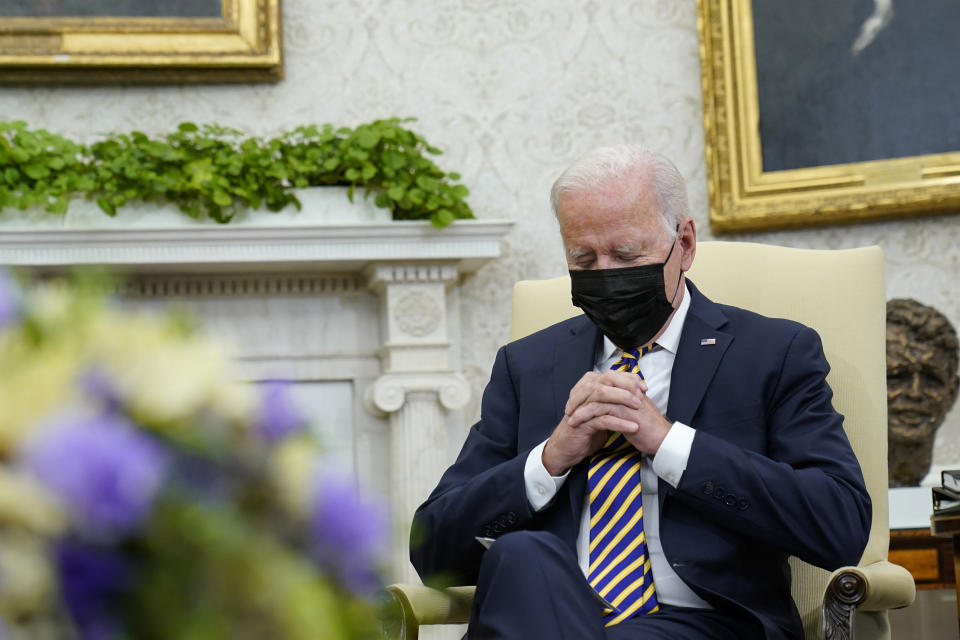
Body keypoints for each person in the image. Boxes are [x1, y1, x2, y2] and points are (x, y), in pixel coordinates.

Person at [410, 146, 871, 639]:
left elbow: (838, 525)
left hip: (705, 625)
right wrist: (548, 460)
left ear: (686, 244)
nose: (606, 274)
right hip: (551, 614)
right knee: (523, 555)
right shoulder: (528, 365)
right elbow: (433, 549)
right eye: (583, 259)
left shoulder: (773, 353)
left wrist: (669, 442)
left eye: (627, 255)